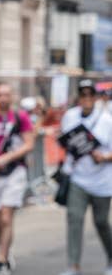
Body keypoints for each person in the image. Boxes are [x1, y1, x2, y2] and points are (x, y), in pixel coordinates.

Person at [0, 81, 35, 275]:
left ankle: (1, 260)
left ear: (12, 97)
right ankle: (6, 250)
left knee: (5, 215)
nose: (3, 98)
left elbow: (29, 144)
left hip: (14, 170)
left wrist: (8, 157)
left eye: (6, 94)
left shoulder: (20, 117)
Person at [58, 80, 112, 275]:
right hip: (78, 179)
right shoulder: (70, 117)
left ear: (96, 98)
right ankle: (73, 266)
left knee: (101, 222)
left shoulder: (107, 120)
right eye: (83, 95)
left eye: (91, 95)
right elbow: (66, 142)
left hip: (103, 182)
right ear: (79, 98)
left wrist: (104, 157)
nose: (87, 99)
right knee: (74, 218)